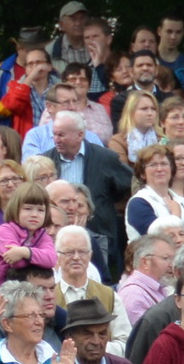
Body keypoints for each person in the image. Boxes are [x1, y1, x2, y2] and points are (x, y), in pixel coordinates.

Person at [49, 111, 132, 279]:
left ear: (80, 135)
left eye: (61, 135)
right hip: (56, 240)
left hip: (100, 236)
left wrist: (109, 208)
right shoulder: (47, 160)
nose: (56, 139)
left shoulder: (105, 158)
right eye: (55, 134)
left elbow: (129, 184)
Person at [0, 182, 58, 291]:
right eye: (28, 209)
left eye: (40, 210)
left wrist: (25, 252)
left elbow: (51, 260)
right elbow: (17, 263)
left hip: (27, 292)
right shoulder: (4, 231)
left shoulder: (43, 236)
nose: (34, 214)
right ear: (16, 209)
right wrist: (40, 259)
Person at [118, 234, 174, 328]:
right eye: (165, 258)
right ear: (145, 262)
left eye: (173, 259)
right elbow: (144, 334)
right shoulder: (134, 294)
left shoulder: (157, 288)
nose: (171, 265)